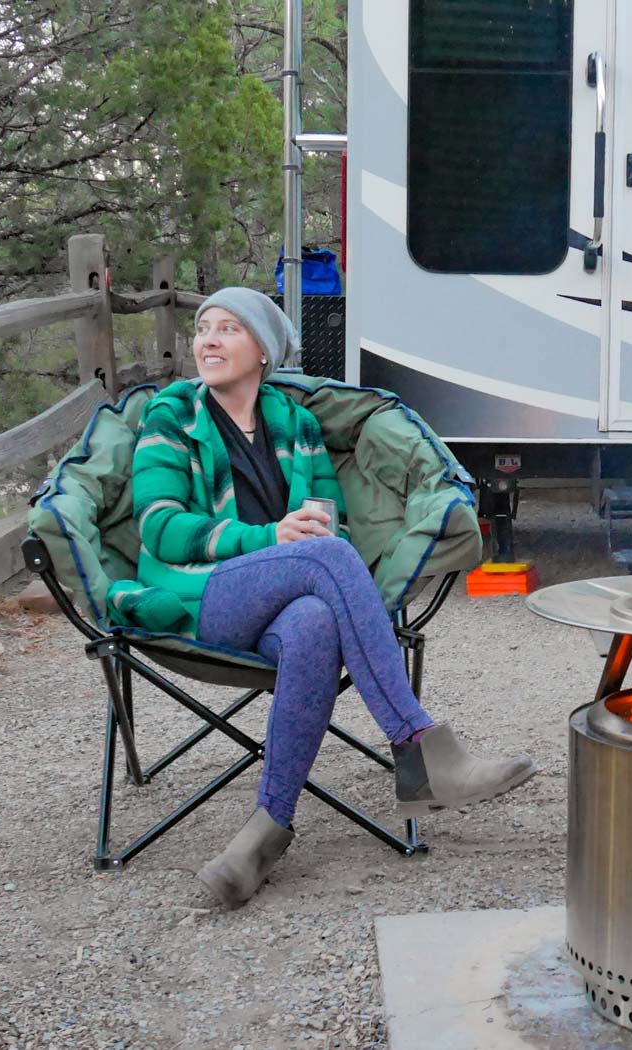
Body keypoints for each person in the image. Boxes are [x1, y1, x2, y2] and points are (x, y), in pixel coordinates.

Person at [116, 287, 536, 908]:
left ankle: (265, 831)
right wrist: (270, 537)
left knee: (315, 621)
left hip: (284, 602)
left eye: (228, 329)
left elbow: (325, 519)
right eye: (203, 328)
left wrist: (311, 534)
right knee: (327, 558)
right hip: (202, 595)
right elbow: (159, 526)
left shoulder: (298, 424)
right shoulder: (172, 418)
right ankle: (421, 748)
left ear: (263, 351)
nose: (207, 340)